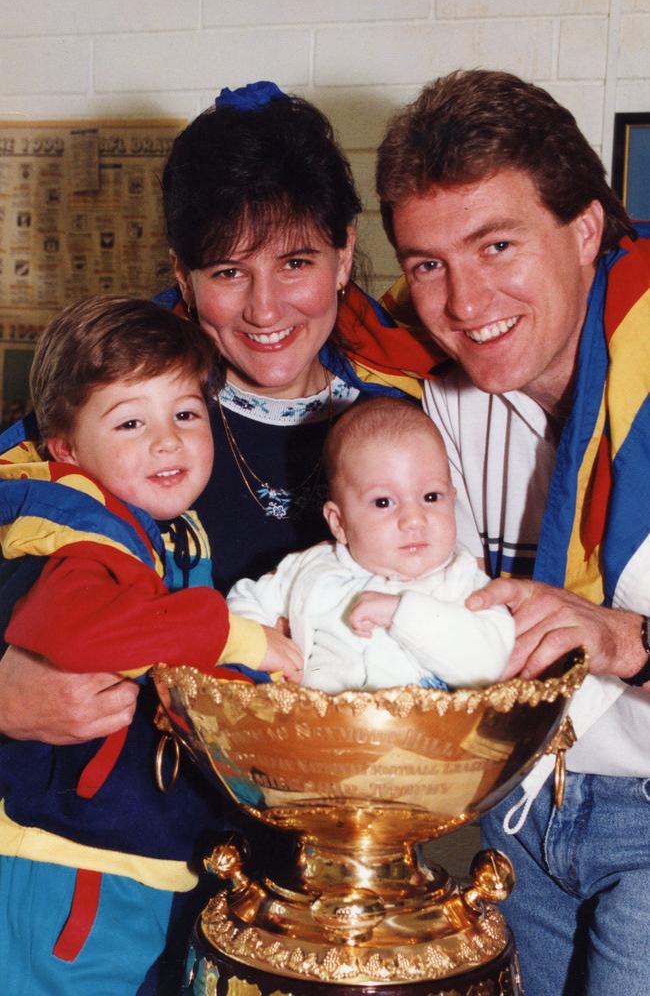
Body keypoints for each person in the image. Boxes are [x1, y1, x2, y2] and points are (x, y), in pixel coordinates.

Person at [0, 83, 440, 994]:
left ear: (348, 254)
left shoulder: (407, 430)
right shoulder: (106, 422)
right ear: (181, 271)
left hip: (321, 900)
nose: (265, 305)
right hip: (99, 884)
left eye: (297, 261)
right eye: (226, 271)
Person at [376, 69, 650, 996]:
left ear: (584, 229)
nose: (463, 300)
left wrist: (623, 638)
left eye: (498, 244)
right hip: (521, 811)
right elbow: (221, 352)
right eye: (427, 264)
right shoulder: (432, 392)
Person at [0, 296, 304, 995]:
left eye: (186, 414)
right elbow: (84, 632)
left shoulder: (165, 528)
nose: (167, 441)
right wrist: (234, 636)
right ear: (67, 449)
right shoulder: (81, 536)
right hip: (69, 863)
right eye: (131, 421)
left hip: (142, 853)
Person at [228, 397, 513, 693]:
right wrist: (262, 640)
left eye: (431, 497)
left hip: (425, 734)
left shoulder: (465, 581)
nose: (414, 519)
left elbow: (488, 664)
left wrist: (400, 613)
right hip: (316, 729)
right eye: (383, 502)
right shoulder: (310, 569)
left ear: (453, 500)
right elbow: (243, 603)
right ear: (339, 523)